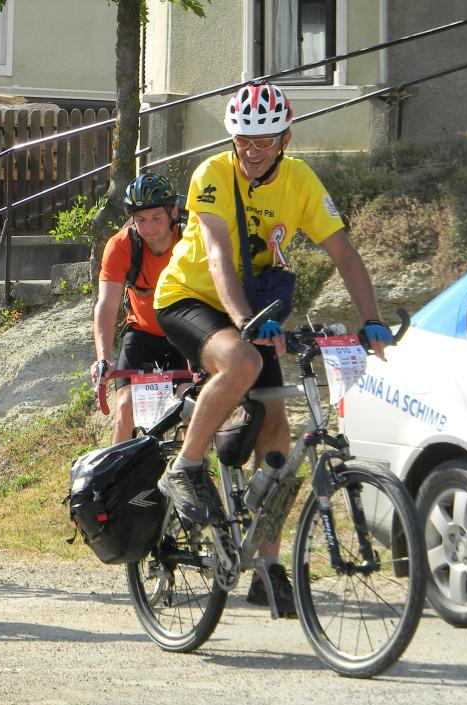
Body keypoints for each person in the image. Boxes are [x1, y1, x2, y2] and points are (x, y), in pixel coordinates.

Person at [153, 81, 395, 616]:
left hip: (255, 309)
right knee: (242, 360)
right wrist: (245, 323)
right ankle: (186, 467)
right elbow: (216, 255)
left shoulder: (301, 180)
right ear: (232, 139)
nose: (253, 151)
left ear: (285, 138)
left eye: (265, 141)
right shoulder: (212, 174)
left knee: (278, 432)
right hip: (190, 299)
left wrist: (372, 321)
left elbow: (344, 254)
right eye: (244, 140)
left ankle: (268, 565)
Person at [90, 172, 187, 444]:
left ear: (173, 213)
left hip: (185, 331)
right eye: (140, 219)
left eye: (157, 218)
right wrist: (103, 357)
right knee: (125, 407)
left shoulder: (191, 240)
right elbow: (106, 305)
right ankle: (116, 480)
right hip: (142, 332)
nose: (149, 228)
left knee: (191, 404)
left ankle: (190, 471)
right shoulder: (121, 245)